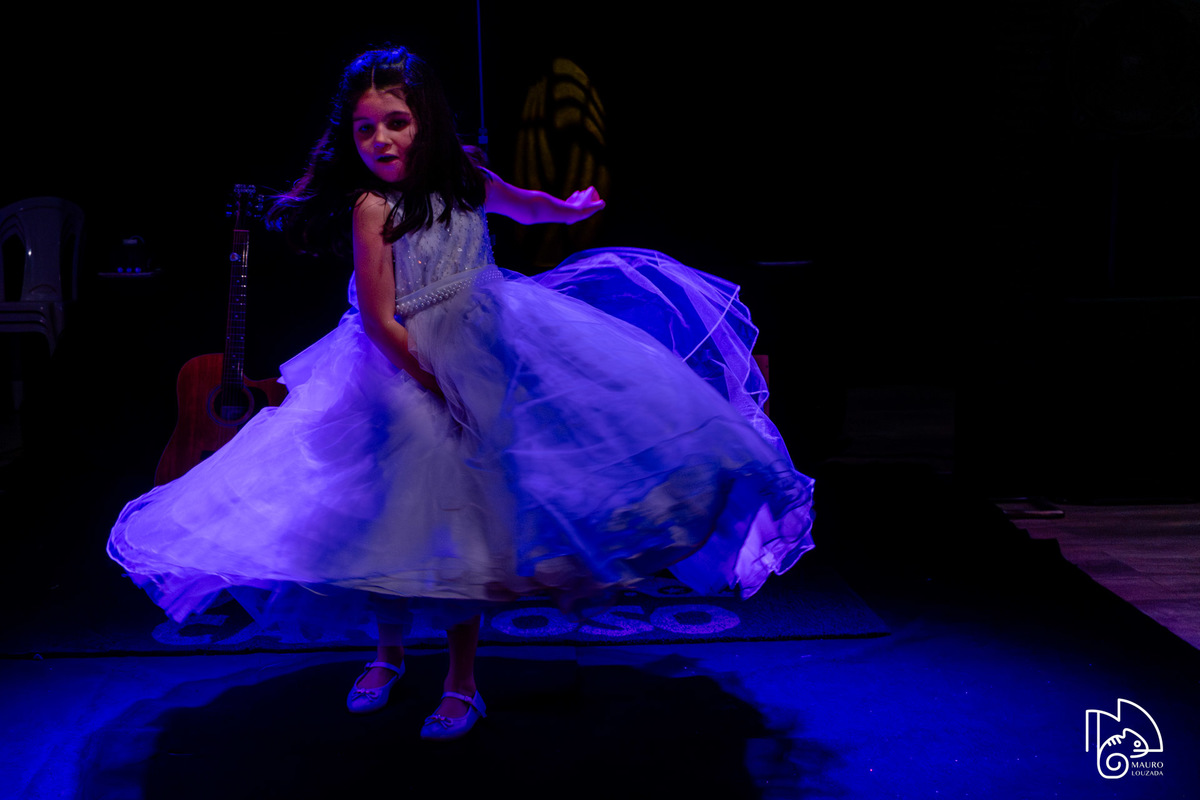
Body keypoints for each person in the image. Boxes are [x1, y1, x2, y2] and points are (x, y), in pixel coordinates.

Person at [108, 46, 815, 741]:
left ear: (428, 123)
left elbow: (524, 207)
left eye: (396, 122)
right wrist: (436, 385)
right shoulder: (371, 206)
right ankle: (385, 654)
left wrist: (567, 211)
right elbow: (384, 323)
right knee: (384, 520)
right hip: (397, 375)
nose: (380, 139)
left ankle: (461, 677)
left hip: (484, 349)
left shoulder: (467, 179)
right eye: (365, 128)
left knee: (465, 524)